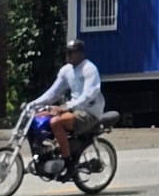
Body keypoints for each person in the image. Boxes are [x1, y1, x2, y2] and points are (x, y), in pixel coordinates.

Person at [29, 39, 105, 173]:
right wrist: (33, 104)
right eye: (67, 52)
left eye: (71, 52)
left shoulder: (89, 69)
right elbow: (53, 93)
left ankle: (67, 161)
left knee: (56, 122)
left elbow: (88, 95)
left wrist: (67, 107)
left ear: (80, 54)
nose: (68, 55)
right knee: (37, 118)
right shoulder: (66, 70)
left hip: (89, 112)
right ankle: (46, 152)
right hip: (73, 109)